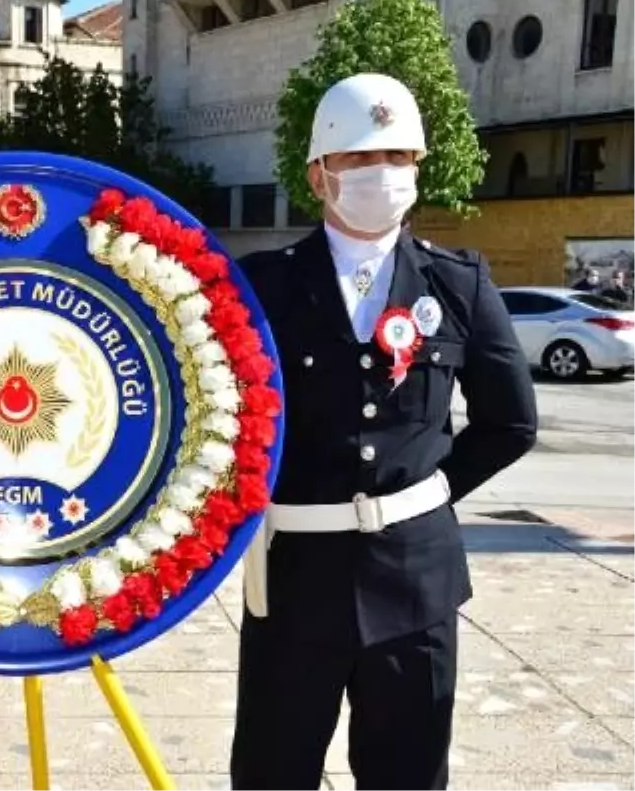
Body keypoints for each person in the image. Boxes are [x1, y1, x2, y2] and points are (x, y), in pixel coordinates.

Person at [229, 73, 538, 790]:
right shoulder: (262, 287)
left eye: (400, 157)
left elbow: (511, 422)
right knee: (272, 774)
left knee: (408, 777)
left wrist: (419, 496)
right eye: (361, 159)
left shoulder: (458, 283)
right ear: (318, 175)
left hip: (416, 587)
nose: (383, 174)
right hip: (296, 581)